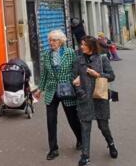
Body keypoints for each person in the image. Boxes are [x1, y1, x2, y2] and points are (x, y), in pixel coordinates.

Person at [32, 30, 82, 160]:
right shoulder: (46, 54)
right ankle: (53, 149)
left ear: (60, 41)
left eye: (54, 40)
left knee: (73, 118)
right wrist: (39, 89)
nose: (51, 43)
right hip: (51, 90)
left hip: (67, 90)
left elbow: (76, 70)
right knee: (51, 121)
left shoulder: (70, 53)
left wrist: (74, 80)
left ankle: (80, 139)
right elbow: (44, 74)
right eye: (50, 40)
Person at [73, 36, 118, 166]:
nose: (81, 47)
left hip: (100, 98)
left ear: (91, 46)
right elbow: (73, 78)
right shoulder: (78, 60)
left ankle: (111, 143)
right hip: (84, 99)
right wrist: (79, 92)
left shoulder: (102, 59)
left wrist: (98, 75)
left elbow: (112, 76)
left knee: (103, 126)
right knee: (85, 128)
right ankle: (85, 156)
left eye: (83, 44)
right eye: (81, 44)